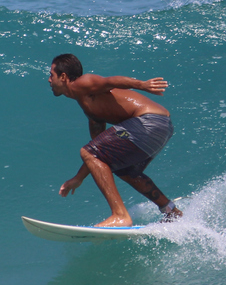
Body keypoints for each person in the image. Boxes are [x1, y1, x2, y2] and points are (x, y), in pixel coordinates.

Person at [47, 53, 182, 227]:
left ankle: (120, 215)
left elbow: (110, 81)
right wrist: (79, 178)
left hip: (149, 121)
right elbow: (98, 154)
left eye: (51, 75)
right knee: (125, 170)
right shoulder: (92, 110)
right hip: (162, 126)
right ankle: (171, 211)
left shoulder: (82, 83)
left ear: (63, 77)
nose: (49, 80)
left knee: (88, 151)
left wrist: (142, 85)